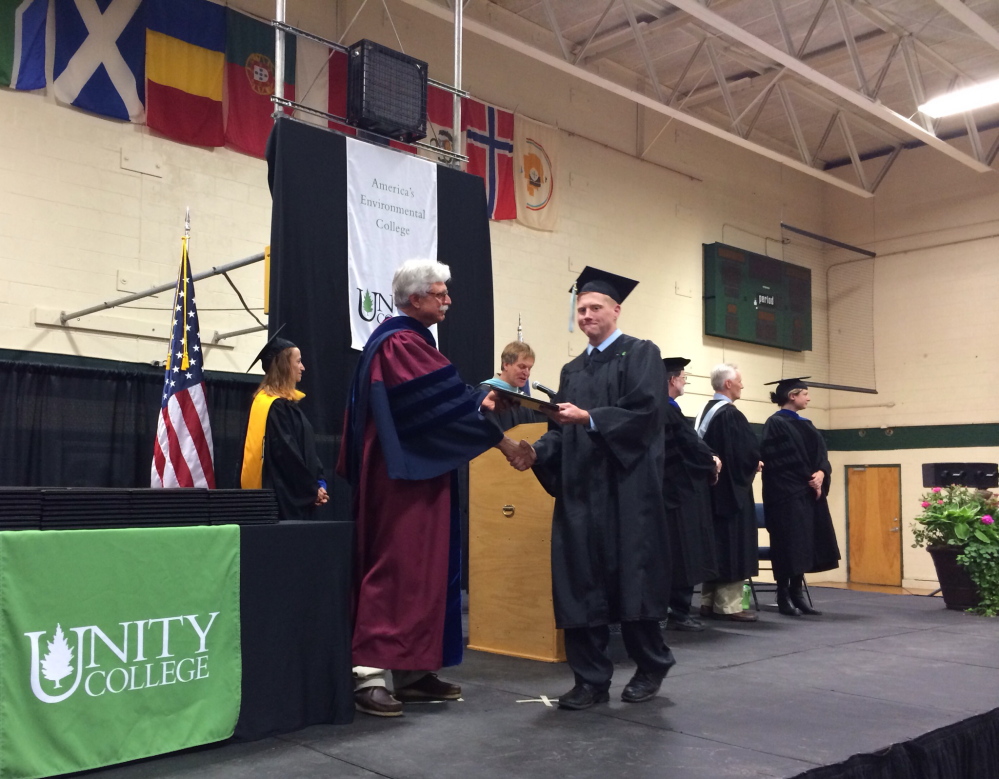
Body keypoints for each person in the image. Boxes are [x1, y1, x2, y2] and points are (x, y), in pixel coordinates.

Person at [337, 258, 529, 718]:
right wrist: (501, 440)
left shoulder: (408, 342)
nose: (449, 300)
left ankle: (411, 671)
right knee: (394, 569)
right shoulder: (400, 342)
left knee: (424, 571)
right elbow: (437, 409)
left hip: (419, 473)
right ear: (416, 298)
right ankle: (368, 671)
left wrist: (477, 397)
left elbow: (443, 398)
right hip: (399, 477)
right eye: (440, 293)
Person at [513, 266, 676, 710]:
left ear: (616, 310)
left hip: (626, 491)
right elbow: (561, 430)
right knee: (579, 581)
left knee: (632, 580)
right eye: (581, 309)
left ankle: (651, 663)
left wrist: (590, 418)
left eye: (595, 307)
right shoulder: (572, 369)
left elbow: (646, 414)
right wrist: (537, 452)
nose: (587, 315)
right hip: (581, 492)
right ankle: (590, 679)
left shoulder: (642, 354)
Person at [760, 378, 840, 616]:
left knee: (804, 545)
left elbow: (821, 455)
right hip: (786, 495)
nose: (809, 397)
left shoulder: (808, 424)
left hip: (807, 494)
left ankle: (798, 594)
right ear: (792, 396)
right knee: (788, 546)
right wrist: (810, 478)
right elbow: (784, 459)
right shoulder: (774, 424)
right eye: (805, 393)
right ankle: (783, 596)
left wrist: (821, 473)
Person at [695, 363, 761, 623]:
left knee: (717, 546)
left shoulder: (705, 411)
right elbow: (742, 453)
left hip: (711, 491)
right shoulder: (730, 415)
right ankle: (729, 606)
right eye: (740, 381)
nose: (743, 385)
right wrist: (755, 461)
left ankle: (707, 602)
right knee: (733, 546)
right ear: (728, 384)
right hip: (731, 493)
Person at [240, 330, 328, 519]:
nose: (303, 367)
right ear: (283, 366)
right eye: (298, 361)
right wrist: (311, 489)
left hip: (297, 494)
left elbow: (306, 449)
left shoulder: (285, 404)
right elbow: (288, 455)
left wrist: (319, 483)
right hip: (281, 501)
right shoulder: (273, 406)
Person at [661, 357, 721, 632]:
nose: (685, 382)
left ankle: (672, 609)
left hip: (667, 494)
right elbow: (688, 448)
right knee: (682, 552)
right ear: (673, 380)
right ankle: (680, 611)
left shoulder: (657, 409)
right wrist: (711, 462)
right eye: (684, 377)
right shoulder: (668, 411)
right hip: (678, 495)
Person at [478, 341, 547, 431]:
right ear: (506, 364)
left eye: (529, 368)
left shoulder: (525, 399)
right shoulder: (485, 392)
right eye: (522, 367)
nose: (526, 373)